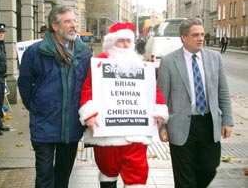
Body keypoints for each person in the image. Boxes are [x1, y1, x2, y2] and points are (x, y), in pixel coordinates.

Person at [78, 22, 169, 188]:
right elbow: (87, 89)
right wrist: (89, 113)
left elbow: (152, 91)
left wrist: (159, 109)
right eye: (121, 41)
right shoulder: (99, 63)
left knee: (137, 172)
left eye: (128, 41)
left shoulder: (140, 64)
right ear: (112, 42)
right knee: (107, 171)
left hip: (136, 133)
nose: (125, 45)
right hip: (107, 132)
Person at [18, 5, 92, 188]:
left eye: (74, 20)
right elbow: (25, 85)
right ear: (55, 26)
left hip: (72, 126)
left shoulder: (84, 53)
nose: (73, 25)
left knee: (63, 177)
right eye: (68, 21)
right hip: (44, 125)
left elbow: (89, 86)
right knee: (44, 176)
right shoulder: (35, 52)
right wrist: (37, 107)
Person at [157, 18, 233, 188]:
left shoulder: (215, 58)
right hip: (180, 125)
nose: (200, 38)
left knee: (209, 167)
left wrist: (227, 120)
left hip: (208, 122)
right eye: (195, 35)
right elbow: (161, 97)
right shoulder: (169, 61)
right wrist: (162, 126)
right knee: (184, 176)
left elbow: (223, 92)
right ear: (183, 37)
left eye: (202, 34)